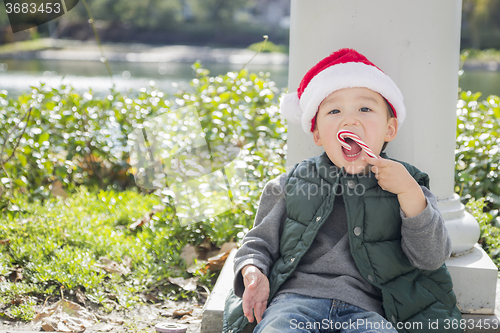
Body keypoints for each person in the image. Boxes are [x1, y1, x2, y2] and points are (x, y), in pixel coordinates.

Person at [223, 48, 462, 333]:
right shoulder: (291, 183)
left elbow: (431, 258)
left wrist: (409, 194)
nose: (349, 120)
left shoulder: (408, 183)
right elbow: (257, 244)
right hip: (294, 302)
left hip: (369, 308)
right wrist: (253, 272)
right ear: (318, 134)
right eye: (334, 111)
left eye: (365, 109)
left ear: (390, 129)